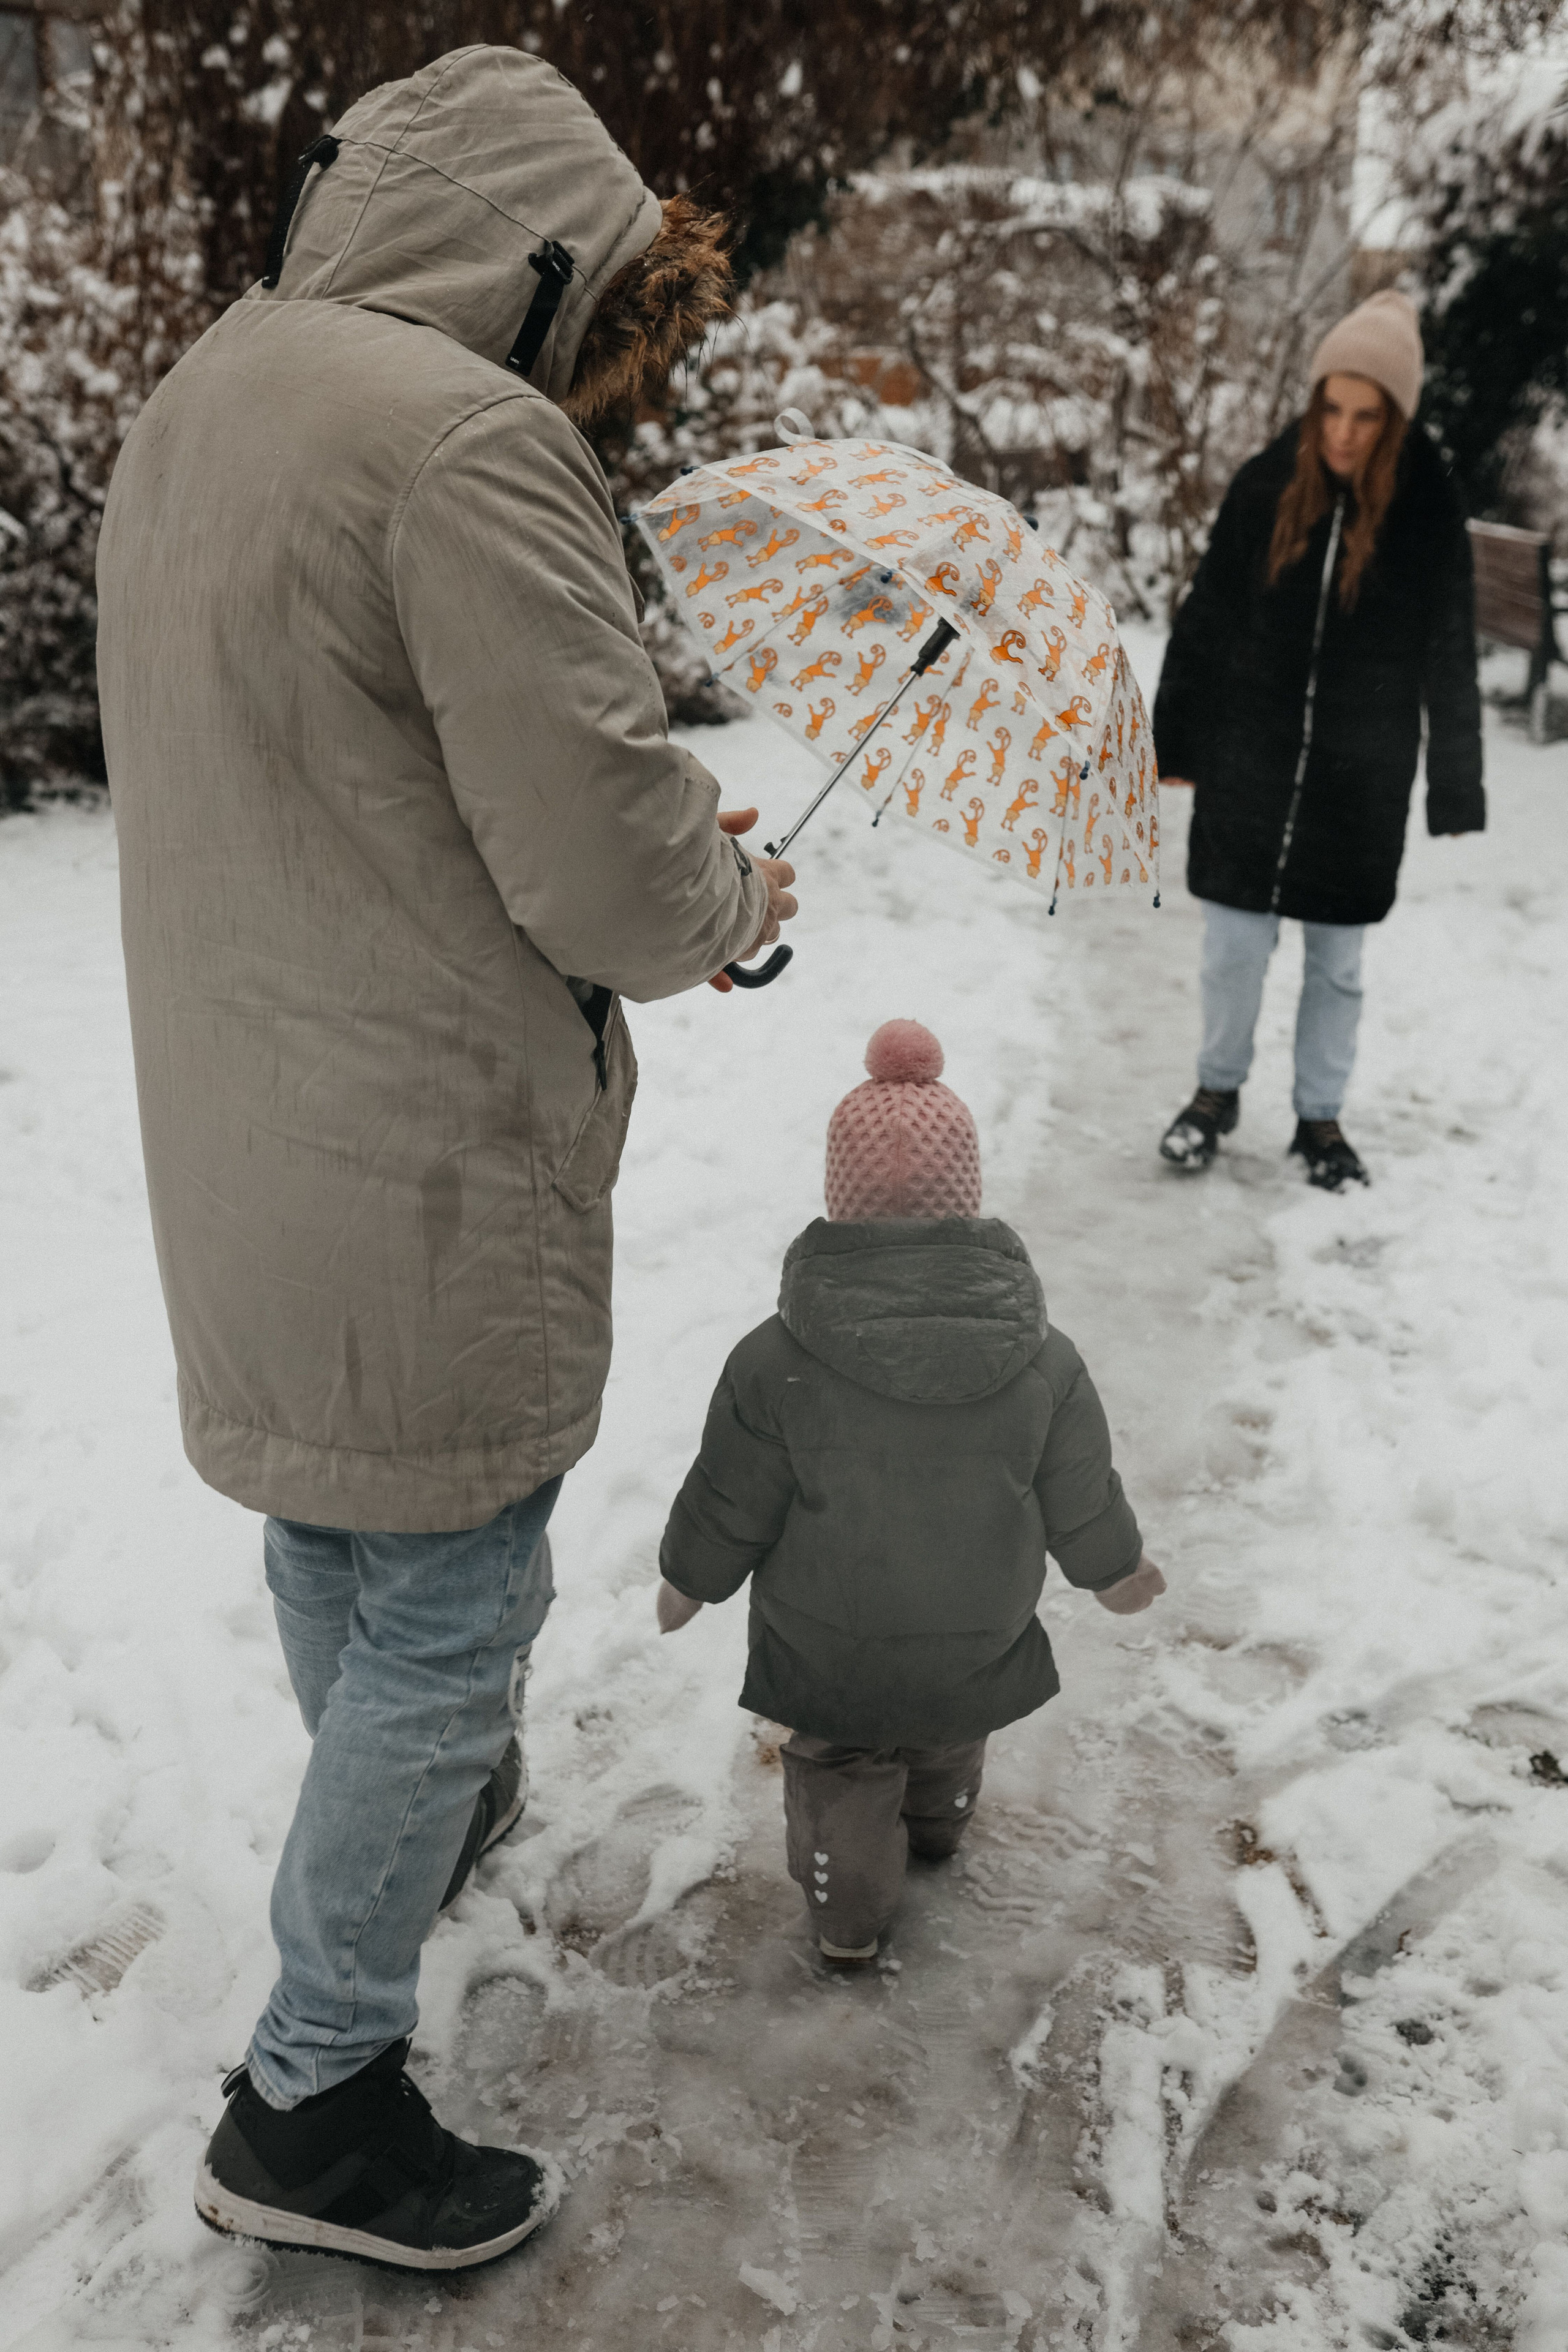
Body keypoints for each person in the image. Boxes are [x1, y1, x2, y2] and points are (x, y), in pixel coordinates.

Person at [95, 47, 796, 2271]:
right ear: (536, 255)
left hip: (239, 1111)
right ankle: (314, 2093)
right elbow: (602, 861)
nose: (578, 366)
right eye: (583, 319)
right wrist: (735, 900)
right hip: (422, 1132)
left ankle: (415, 1817)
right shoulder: (465, 445)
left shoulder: (201, 398)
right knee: (461, 1585)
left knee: (337, 1516)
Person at [654, 1021, 1164, 1964]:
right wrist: (1117, 1570)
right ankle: (938, 1825)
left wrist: (690, 1578)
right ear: (966, 1199)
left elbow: (732, 1495)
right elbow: (1081, 1493)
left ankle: (848, 1921)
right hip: (978, 1625)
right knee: (947, 1721)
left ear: (836, 1201)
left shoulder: (775, 1361)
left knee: (842, 1766)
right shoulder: (1042, 1360)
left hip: (828, 1636)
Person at [1153, 290, 1484, 1189]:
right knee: (1232, 950)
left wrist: (1457, 785)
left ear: (1395, 419)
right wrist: (1175, 738)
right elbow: (1208, 614)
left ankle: (1320, 1120)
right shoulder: (1266, 486)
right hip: (1249, 762)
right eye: (1331, 408)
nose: (1343, 432)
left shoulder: (1427, 512)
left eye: (1365, 415)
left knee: (1337, 966)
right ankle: (1213, 1096)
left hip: (1359, 781)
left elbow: (1453, 650)